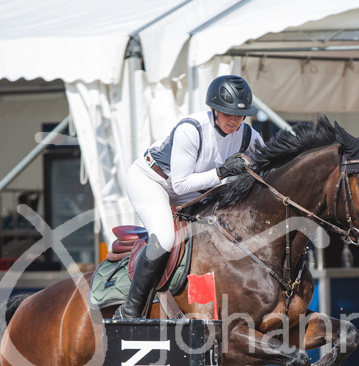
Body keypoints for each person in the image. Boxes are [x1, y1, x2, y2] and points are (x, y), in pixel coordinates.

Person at [113, 75, 264, 319]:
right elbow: (180, 185)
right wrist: (222, 172)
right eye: (227, 114)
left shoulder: (249, 137)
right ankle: (129, 310)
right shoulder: (191, 130)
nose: (234, 120)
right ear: (214, 110)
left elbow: (265, 174)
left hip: (194, 187)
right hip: (153, 180)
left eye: (240, 114)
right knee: (164, 237)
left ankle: (199, 307)